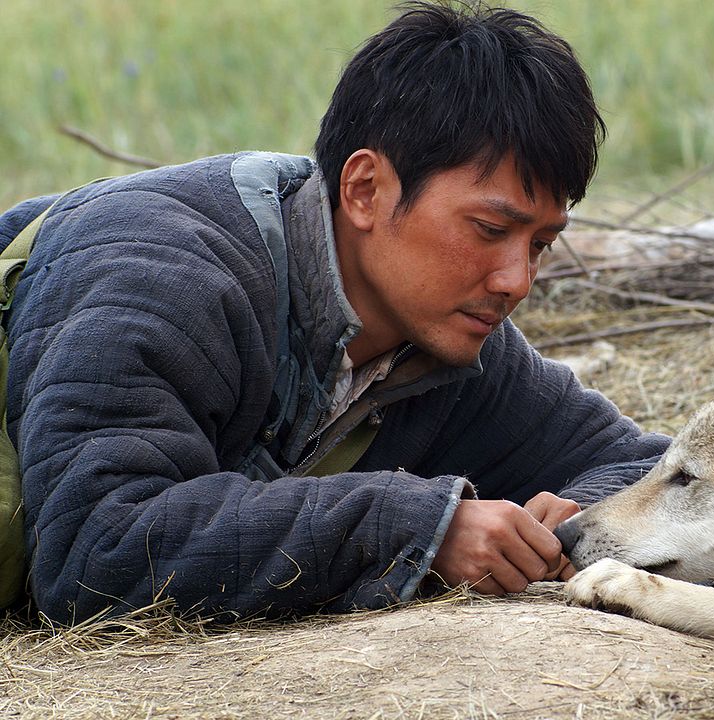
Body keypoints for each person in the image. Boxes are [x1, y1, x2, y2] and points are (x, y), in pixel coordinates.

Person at [0, 2, 668, 625]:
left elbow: (641, 466)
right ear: (365, 190)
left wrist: (577, 521)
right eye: (490, 229)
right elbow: (95, 552)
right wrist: (422, 531)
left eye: (542, 245)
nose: (517, 280)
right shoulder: (163, 274)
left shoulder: (449, 339)